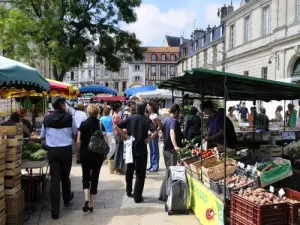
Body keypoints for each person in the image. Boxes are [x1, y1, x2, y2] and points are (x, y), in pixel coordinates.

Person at [40, 96, 76, 220]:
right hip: (65, 151)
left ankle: (55, 212)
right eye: (65, 103)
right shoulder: (69, 118)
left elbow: (43, 136)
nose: (66, 105)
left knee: (54, 182)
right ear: (61, 105)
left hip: (53, 151)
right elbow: (74, 133)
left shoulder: (47, 118)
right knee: (65, 176)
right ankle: (66, 198)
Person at [115, 103, 157, 203]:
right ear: (144, 109)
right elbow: (155, 131)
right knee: (140, 173)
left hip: (130, 148)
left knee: (129, 171)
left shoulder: (130, 118)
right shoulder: (147, 119)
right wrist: (150, 138)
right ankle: (137, 196)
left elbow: (117, 126)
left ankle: (129, 191)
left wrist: (124, 136)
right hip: (142, 149)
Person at [76, 104, 108, 213]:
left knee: (85, 175)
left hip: (85, 153)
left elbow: (78, 141)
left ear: (88, 112)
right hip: (97, 155)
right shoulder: (100, 124)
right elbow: (106, 140)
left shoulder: (83, 124)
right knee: (95, 177)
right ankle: (91, 203)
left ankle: (85, 198)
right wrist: (105, 154)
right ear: (97, 112)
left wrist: (78, 153)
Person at [159, 104, 183, 202]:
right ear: (176, 111)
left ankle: (165, 193)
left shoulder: (165, 120)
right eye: (179, 112)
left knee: (169, 171)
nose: (179, 114)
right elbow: (172, 132)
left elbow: (160, 129)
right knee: (170, 172)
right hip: (171, 151)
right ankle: (163, 195)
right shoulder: (174, 121)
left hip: (166, 150)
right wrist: (175, 146)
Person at [147, 101, 162, 172]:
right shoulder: (150, 115)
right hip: (150, 134)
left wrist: (156, 132)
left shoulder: (155, 116)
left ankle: (155, 166)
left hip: (154, 135)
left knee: (154, 150)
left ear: (151, 107)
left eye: (148, 106)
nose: (147, 107)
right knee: (151, 150)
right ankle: (152, 165)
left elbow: (160, 126)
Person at [112, 102, 125, 174]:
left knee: (118, 150)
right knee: (119, 150)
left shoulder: (114, 114)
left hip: (116, 133)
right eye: (119, 107)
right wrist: (123, 134)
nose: (120, 108)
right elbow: (119, 126)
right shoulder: (117, 116)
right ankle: (117, 167)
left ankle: (117, 167)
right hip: (118, 134)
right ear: (117, 108)